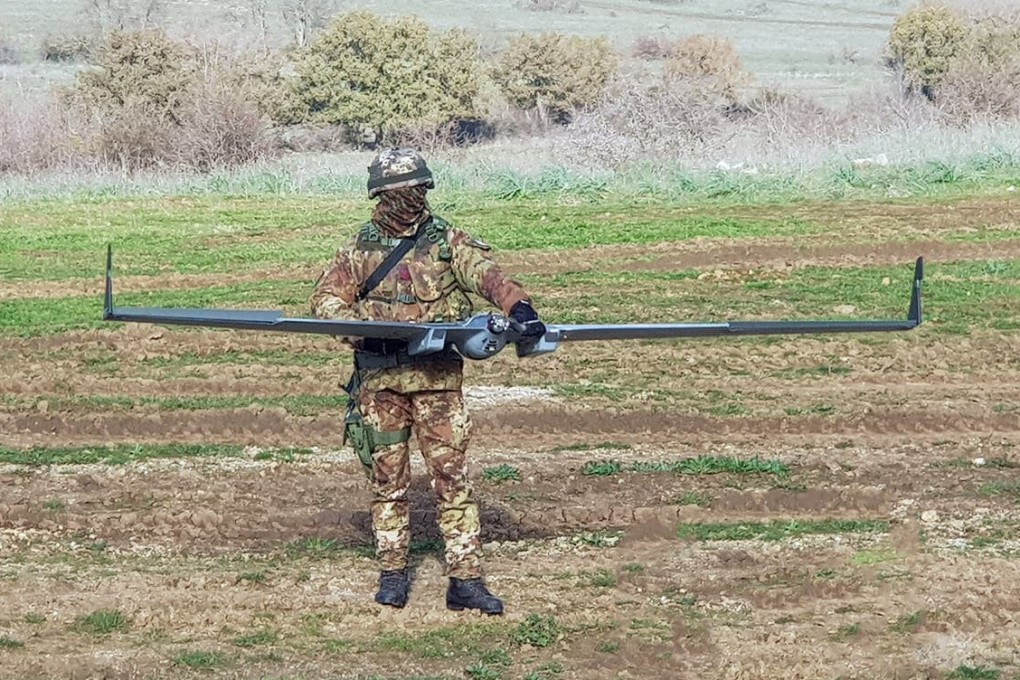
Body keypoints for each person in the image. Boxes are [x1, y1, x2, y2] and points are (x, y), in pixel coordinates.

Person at [310, 148, 545, 615]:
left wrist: (517, 306)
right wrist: (360, 326)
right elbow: (325, 303)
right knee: (388, 483)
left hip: (439, 386)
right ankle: (393, 573)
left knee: (453, 482)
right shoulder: (357, 251)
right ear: (381, 196)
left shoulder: (447, 242)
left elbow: (488, 277)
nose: (413, 199)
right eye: (402, 192)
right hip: (381, 387)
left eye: (419, 190)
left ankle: (466, 581)